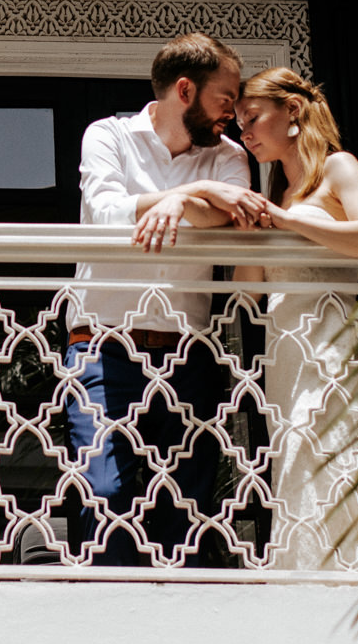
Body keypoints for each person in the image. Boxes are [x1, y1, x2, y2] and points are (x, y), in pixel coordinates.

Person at [56, 32, 266, 566]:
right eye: (226, 97)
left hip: (186, 354)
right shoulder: (108, 136)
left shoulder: (229, 156)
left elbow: (227, 215)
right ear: (185, 91)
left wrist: (179, 201)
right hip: (101, 345)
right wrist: (184, 196)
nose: (234, 112)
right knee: (104, 496)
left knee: (186, 511)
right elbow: (106, 214)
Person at [230, 67, 358, 572]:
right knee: (295, 462)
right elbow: (248, 291)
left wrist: (286, 220)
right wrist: (253, 225)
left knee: (341, 455)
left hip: (333, 344)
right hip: (286, 351)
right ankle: (309, 575)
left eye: (252, 117)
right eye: (239, 124)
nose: (245, 133)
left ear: (292, 111)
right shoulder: (275, 195)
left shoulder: (338, 168)